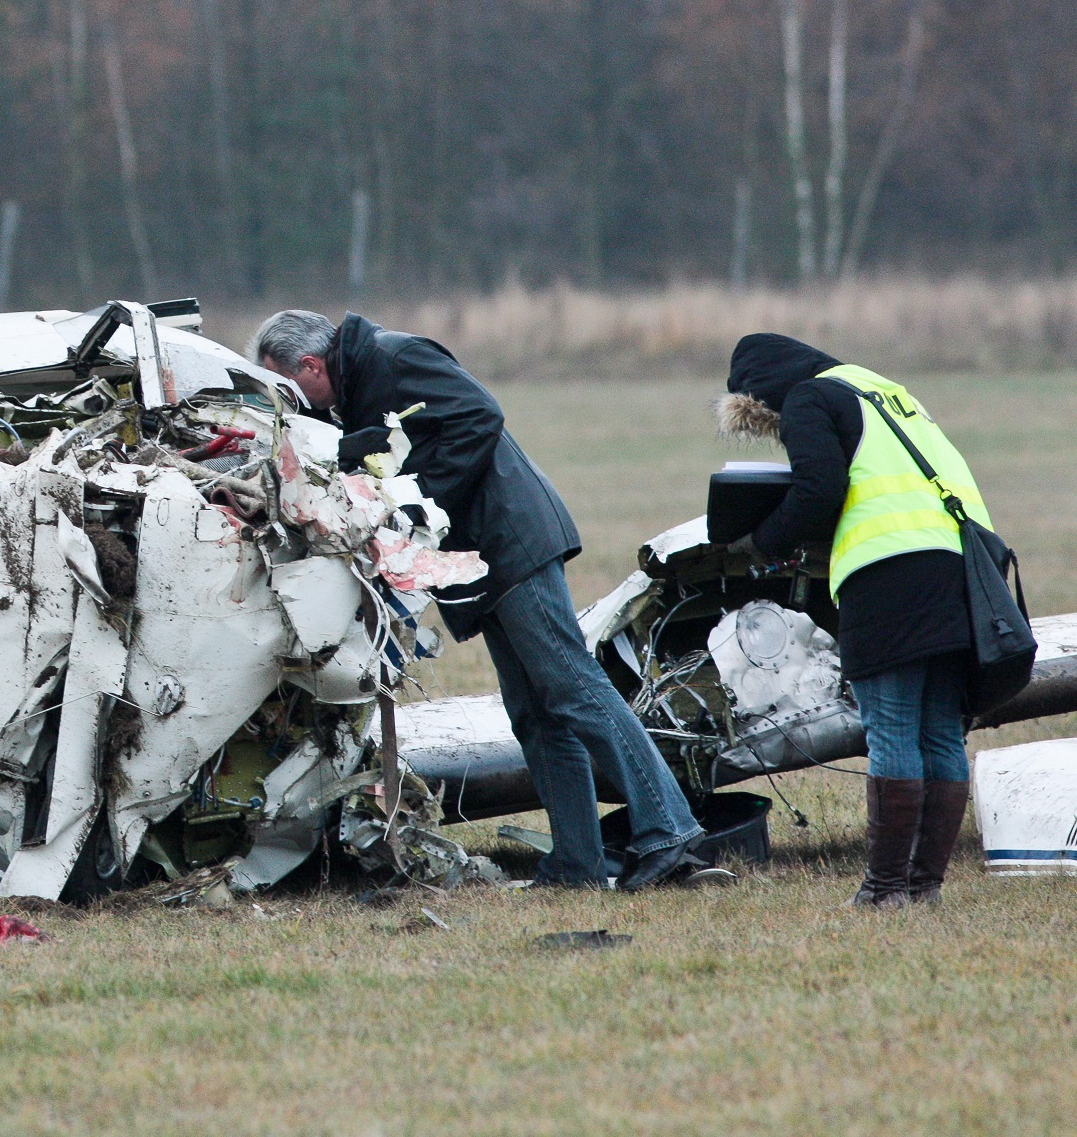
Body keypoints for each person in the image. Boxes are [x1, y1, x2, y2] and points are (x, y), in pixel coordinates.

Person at [252, 308, 713, 890]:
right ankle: (578, 865)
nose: (298, 402)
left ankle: (669, 832)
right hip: (481, 559)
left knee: (575, 690)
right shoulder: (361, 383)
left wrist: (415, 502)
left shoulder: (396, 358)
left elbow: (480, 416)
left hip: (510, 542)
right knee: (536, 715)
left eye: (293, 387)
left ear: (313, 365)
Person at [721, 333, 987, 907]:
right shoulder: (880, 389)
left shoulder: (808, 398)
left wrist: (762, 542)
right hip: (960, 570)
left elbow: (820, 490)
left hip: (890, 575)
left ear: (761, 392)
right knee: (939, 728)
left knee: (890, 729)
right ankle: (925, 888)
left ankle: (884, 889)